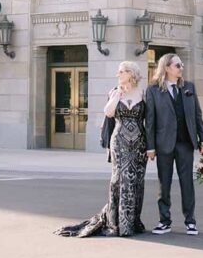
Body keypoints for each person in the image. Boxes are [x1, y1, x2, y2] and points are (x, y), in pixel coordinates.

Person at [55, 61, 147, 237]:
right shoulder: (114, 92)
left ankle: (131, 222)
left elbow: (149, 119)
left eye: (121, 71)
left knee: (135, 180)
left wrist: (151, 147)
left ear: (131, 73)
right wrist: (117, 96)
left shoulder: (143, 93)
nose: (117, 74)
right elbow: (109, 113)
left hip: (139, 142)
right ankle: (115, 223)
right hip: (119, 140)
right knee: (118, 179)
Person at [145, 53, 203, 236]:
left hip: (185, 143)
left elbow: (197, 115)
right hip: (163, 144)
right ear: (166, 68)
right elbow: (150, 121)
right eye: (177, 65)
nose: (181, 68)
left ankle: (191, 221)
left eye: (181, 65)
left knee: (187, 183)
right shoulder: (153, 90)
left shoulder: (189, 88)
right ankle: (164, 221)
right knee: (163, 185)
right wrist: (150, 147)